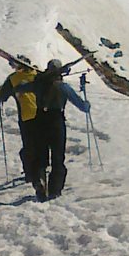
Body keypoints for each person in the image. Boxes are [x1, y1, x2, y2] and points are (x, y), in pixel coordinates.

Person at [22, 59, 90, 200]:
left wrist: (36, 79)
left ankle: (39, 180)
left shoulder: (38, 85)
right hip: (56, 121)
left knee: (40, 155)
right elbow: (83, 107)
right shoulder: (63, 87)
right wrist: (86, 100)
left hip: (39, 120)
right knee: (58, 157)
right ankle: (55, 190)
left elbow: (20, 88)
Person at [0, 55, 42, 192]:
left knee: (29, 145)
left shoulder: (13, 79)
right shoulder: (38, 75)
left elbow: (1, 96)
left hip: (26, 117)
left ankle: (30, 173)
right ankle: (40, 170)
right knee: (41, 144)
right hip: (43, 115)